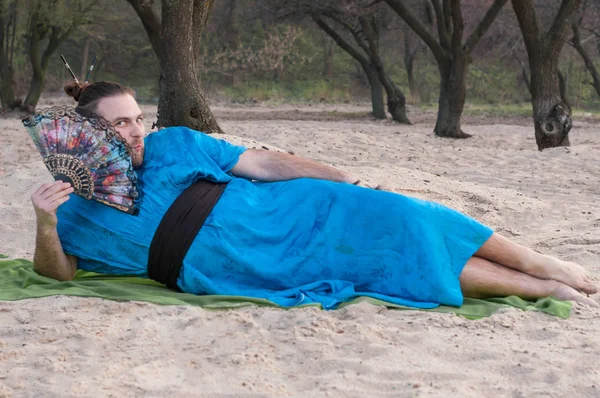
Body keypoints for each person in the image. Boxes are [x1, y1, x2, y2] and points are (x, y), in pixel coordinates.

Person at [30, 81, 599, 310]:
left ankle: (538, 262)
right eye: (120, 125)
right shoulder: (76, 210)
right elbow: (61, 275)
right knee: (382, 264)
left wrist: (342, 179)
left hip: (284, 209)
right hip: (233, 265)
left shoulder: (174, 142)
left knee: (403, 214)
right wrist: (46, 224)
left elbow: (264, 162)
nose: (134, 132)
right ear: (87, 134)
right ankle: (535, 287)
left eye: (137, 119)